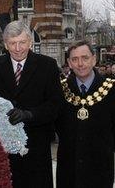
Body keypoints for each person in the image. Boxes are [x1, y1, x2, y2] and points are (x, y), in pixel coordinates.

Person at [0, 20, 61, 188]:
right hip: (3, 149)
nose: (18, 48)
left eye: (22, 42)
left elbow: (54, 105)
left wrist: (29, 114)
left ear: (30, 42)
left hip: (37, 146)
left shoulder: (47, 65)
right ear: (5, 44)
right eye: (13, 43)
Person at [55, 40, 115, 188]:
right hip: (68, 169)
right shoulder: (59, 89)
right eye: (75, 59)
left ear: (94, 59)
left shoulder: (111, 89)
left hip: (100, 169)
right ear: (69, 62)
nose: (80, 64)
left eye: (85, 58)